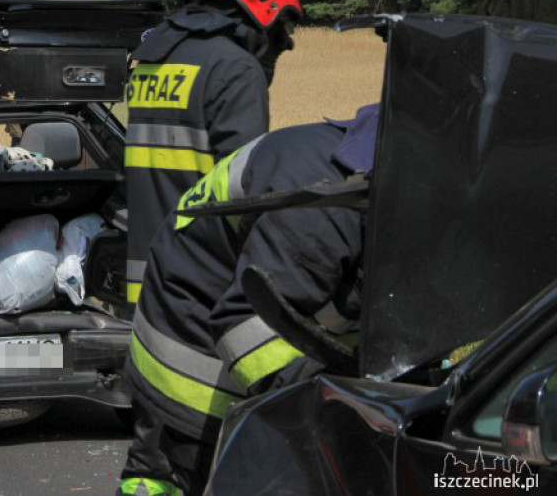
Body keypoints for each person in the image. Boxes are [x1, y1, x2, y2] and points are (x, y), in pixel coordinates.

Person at [119, 104, 378, 495]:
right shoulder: (324, 198)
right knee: (178, 473)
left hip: (255, 321)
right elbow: (247, 330)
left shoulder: (387, 183)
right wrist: (336, 401)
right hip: (193, 336)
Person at [124, 0, 302, 305]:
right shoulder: (235, 69)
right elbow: (245, 189)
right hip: (202, 285)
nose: (281, 40)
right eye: (280, 24)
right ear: (262, 4)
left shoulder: (155, 59)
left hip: (145, 278)